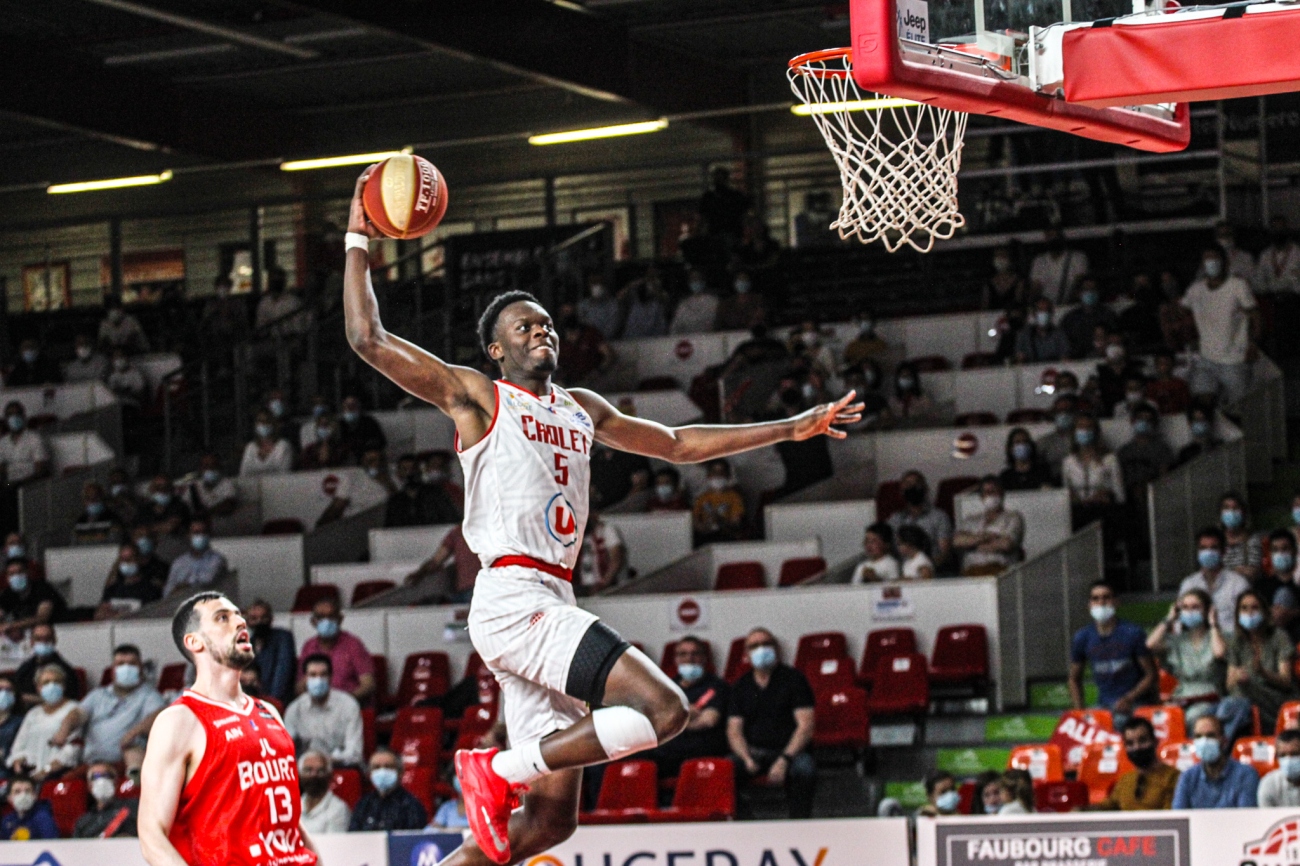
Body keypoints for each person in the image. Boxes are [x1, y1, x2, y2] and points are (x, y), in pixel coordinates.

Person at [344, 169, 858, 865]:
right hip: (513, 597)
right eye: (524, 327)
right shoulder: (479, 399)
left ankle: (492, 796)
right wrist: (357, 238)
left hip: (551, 595)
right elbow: (368, 338)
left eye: (547, 324)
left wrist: (791, 428)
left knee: (551, 825)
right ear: (496, 350)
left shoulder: (581, 406)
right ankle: (491, 770)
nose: (541, 332)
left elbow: (677, 444)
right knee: (667, 710)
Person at [137, 591, 319, 866]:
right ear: (194, 642)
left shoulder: (268, 711)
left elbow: (290, 823)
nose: (240, 623)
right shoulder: (180, 720)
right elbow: (152, 837)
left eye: (239, 616)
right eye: (223, 618)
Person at [726, 628, 816, 819]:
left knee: (805, 769)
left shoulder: (794, 680)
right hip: (753, 753)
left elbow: (805, 726)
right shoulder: (740, 686)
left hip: (790, 752)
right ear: (746, 654)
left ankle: (800, 826)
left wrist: (785, 759)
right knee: (724, 771)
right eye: (754, 646)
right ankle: (747, 825)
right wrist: (746, 757)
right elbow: (734, 730)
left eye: (766, 644)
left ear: (777, 649)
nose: (761, 649)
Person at [58, 644, 165, 764]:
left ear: (140, 668)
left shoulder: (149, 695)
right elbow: (79, 714)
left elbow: (158, 717)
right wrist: (66, 726)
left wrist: (134, 732)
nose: (126, 668)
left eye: (132, 664)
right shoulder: (97, 695)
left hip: (124, 762)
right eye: (120, 664)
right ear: (113, 669)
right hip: (92, 762)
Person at [1182, 243, 1260, 406]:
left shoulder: (1237, 286)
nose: (1211, 263)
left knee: (1238, 407)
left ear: (1225, 262)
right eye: (1207, 260)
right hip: (1206, 358)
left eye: (1215, 259)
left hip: (1234, 359)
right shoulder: (1196, 289)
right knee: (1202, 404)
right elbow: (1181, 310)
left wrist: (1253, 343)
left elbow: (1254, 315)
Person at [1068, 582, 1156, 724]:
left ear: (1116, 602)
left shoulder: (1133, 633)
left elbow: (1150, 675)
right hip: (1103, 705)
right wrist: (1080, 713)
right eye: (1095, 598)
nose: (1101, 602)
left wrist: (1129, 698)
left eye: (1106, 597)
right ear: (1089, 605)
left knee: (1120, 722)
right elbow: (1074, 679)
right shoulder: (1082, 637)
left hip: (1136, 704)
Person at [641, 637, 729, 779]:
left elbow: (708, 721)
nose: (690, 658)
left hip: (701, 747)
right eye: (683, 654)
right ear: (675, 659)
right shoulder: (667, 687)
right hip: (669, 748)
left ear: (704, 658)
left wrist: (674, 717)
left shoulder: (717, 686)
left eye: (695, 653)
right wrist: (689, 712)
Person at [1219, 589, 1296, 741]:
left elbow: (1286, 682)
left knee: (1236, 700)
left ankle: (1223, 746)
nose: (1249, 612)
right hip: (1246, 699)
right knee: (1222, 706)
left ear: (1264, 612)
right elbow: (1229, 684)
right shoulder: (1237, 641)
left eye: (1255, 608)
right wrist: (1237, 678)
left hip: (1276, 699)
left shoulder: (1279, 637)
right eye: (1244, 608)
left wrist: (1262, 672)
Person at [1147, 589, 1226, 730]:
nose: (1190, 611)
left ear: (1207, 610)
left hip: (1210, 698)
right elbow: (1150, 644)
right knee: (1163, 718)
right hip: (1181, 697)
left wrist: (1213, 624)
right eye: (1185, 607)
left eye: (1195, 607)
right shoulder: (1177, 641)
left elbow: (1219, 653)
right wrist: (1169, 618)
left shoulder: (1217, 637)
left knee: (1192, 718)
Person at [284, 654, 364, 767]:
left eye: (323, 674)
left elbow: (354, 753)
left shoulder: (348, 705)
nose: (318, 680)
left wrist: (324, 761)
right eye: (313, 675)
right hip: (304, 771)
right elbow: (286, 752)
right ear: (305, 678)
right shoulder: (294, 709)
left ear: (331, 677)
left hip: (340, 767)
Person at [7, 664, 81, 782]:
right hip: (28, 774)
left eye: (57, 681)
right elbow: (18, 745)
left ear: (64, 686)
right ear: (38, 688)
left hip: (56, 774)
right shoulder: (33, 713)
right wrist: (18, 762)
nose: (52, 686)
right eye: (46, 682)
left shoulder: (74, 710)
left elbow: (73, 749)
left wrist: (46, 770)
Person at [298, 597, 376, 704]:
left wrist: (343, 702)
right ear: (313, 622)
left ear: (340, 619)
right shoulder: (309, 646)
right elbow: (299, 686)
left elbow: (368, 684)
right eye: (321, 617)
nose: (326, 621)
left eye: (331, 616)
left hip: (348, 705)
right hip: (315, 707)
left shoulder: (353, 644)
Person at [1092, 716, 1180, 810]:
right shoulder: (1125, 780)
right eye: (1130, 743)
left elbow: (1170, 819)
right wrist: (1083, 810)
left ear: (1155, 742)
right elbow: (1108, 806)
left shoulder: (1174, 777)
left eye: (1142, 741)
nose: (1136, 747)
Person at [1171, 714, 1258, 808]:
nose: (1204, 741)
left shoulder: (1245, 775)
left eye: (1210, 736)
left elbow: (1247, 818)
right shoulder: (1188, 777)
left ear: (1224, 740)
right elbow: (1179, 817)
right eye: (1198, 736)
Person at [1180, 527, 1252, 635]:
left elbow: (1247, 622)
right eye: (1203, 548)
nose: (1208, 552)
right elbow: (1179, 622)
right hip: (1197, 646)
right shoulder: (1188, 585)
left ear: (1223, 551)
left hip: (1231, 645)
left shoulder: (1238, 584)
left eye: (1213, 548)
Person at [1061, 414, 1125, 531]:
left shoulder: (1109, 459)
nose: (1084, 431)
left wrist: (1106, 496)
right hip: (1078, 513)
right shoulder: (1068, 462)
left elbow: (1120, 496)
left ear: (1095, 432)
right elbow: (1065, 494)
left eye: (1088, 427)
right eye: (1080, 427)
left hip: (1103, 513)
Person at [952, 476, 1024, 576]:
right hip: (972, 571)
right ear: (981, 497)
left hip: (1001, 571)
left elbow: (1006, 544)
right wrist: (987, 537)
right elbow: (957, 541)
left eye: (994, 491)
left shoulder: (1013, 517)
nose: (990, 495)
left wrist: (972, 543)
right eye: (987, 492)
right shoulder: (971, 519)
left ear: (1002, 494)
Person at [348, 747, 428, 831]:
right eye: (376, 767)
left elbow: (414, 840)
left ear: (400, 772)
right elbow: (353, 837)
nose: (382, 771)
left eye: (388, 767)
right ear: (370, 774)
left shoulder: (411, 806)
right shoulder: (364, 804)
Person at [887, 471, 953, 571]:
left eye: (916, 484)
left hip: (930, 571)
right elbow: (886, 549)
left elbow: (944, 553)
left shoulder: (939, 516)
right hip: (902, 573)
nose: (913, 487)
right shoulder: (895, 519)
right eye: (908, 484)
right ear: (901, 491)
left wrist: (924, 569)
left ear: (925, 488)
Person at [405, 524, 480, 605]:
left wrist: (418, 574)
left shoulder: (457, 533)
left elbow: (435, 561)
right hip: (484, 590)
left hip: (466, 592)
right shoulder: (490, 530)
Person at [245, 599, 297, 707]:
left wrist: (271, 703)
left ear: (271, 619)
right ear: (247, 621)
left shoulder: (283, 638)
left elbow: (283, 672)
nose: (259, 622)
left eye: (264, 617)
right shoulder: (248, 644)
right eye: (254, 618)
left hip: (279, 703)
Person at [13, 623, 79, 708]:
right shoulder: (24, 668)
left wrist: (34, 699)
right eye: (38, 639)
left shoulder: (66, 670)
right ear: (32, 642)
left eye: (47, 638)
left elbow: (69, 700)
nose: (43, 642)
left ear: (54, 640)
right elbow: (15, 694)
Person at [1117, 403, 1173, 497]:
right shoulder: (1124, 451)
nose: (1144, 422)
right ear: (1132, 421)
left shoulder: (1162, 449)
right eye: (1140, 418)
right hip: (1129, 496)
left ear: (1154, 424)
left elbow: (1165, 477)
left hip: (1153, 494)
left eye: (1148, 420)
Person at [161, 520, 228, 598]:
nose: (200, 536)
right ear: (188, 535)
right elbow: (167, 592)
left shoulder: (217, 559)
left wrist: (185, 586)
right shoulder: (179, 563)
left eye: (203, 532)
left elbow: (207, 580)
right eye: (196, 533)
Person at [74, 762, 139, 838]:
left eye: (107, 775)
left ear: (116, 782)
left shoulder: (133, 807)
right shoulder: (83, 822)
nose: (101, 781)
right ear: (89, 786)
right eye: (96, 776)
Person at [97, 543, 162, 620]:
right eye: (123, 560)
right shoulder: (112, 589)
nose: (126, 563)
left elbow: (154, 616)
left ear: (138, 560)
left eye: (129, 559)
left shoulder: (151, 590)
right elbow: (98, 616)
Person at [0, 558, 68, 629]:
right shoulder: (8, 593)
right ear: (7, 578)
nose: (16, 576)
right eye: (11, 574)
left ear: (28, 573)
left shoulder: (43, 588)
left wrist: (11, 626)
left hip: (63, 630)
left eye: (20, 572)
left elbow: (42, 618)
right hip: (32, 634)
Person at [692, 459, 747, 545]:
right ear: (708, 476)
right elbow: (696, 523)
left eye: (722, 472)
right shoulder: (701, 498)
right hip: (705, 539)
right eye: (714, 472)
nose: (718, 475)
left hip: (726, 539)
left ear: (728, 476)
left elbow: (736, 523)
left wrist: (721, 521)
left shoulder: (735, 497)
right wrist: (706, 526)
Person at [1060, 279, 1119, 359]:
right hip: (1076, 362)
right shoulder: (1070, 318)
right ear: (1078, 293)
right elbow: (1063, 343)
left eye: (1093, 289)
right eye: (1086, 290)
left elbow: (1115, 339)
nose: (1090, 292)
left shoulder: (1108, 315)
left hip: (1104, 358)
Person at [1029, 227, 1089, 305]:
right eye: (1050, 237)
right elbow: (1036, 287)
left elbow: (1079, 284)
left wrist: (1066, 305)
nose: (1053, 240)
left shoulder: (1078, 258)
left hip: (1071, 305)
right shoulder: (1039, 261)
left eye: (1056, 237)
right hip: (1046, 307)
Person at [298, 750, 351, 835]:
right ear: (299, 775)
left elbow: (333, 844)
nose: (313, 775)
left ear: (329, 775)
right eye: (308, 770)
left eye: (320, 771)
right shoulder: (292, 805)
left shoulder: (338, 808)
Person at [575, 512, 625, 596]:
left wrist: (604, 583)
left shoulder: (606, 530)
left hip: (603, 584)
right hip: (579, 584)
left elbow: (616, 559)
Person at [0, 402, 50, 485]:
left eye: (17, 414)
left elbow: (40, 470)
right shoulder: (3, 442)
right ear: (6, 420)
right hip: (9, 484)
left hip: (30, 485)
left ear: (24, 417)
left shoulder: (34, 438)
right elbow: (1, 469)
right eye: (10, 415)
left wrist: (19, 484)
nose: (14, 418)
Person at [1218, 491, 1262, 581]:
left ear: (1243, 513)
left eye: (1236, 508)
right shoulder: (1216, 541)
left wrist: (1225, 572)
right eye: (1226, 508)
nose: (1231, 512)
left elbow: (1252, 572)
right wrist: (1238, 570)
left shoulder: (1252, 540)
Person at [0, 775, 58, 840]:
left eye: (27, 791)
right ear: (9, 798)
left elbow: (51, 845)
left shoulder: (43, 818)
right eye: (17, 791)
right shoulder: (7, 820)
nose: (23, 795)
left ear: (35, 796)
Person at [1014, 298, 1071, 363]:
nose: (1043, 313)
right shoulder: (1024, 335)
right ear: (1034, 313)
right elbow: (1019, 360)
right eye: (1040, 310)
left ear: (1051, 313)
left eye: (1046, 311)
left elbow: (1065, 359)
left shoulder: (1059, 334)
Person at [239, 411, 294, 476]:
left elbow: (284, 474)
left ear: (274, 424)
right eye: (260, 421)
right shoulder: (250, 447)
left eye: (267, 421)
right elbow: (243, 474)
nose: (263, 424)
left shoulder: (283, 446)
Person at [183, 453, 238, 519]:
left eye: (213, 467)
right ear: (201, 469)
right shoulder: (194, 486)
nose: (209, 470)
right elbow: (185, 505)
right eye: (206, 466)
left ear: (219, 468)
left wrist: (206, 513)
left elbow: (228, 505)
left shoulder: (226, 484)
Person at [1254, 215, 1300, 295]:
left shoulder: (1298, 253)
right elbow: (1259, 279)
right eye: (1275, 229)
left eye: (1281, 229)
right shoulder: (1265, 255)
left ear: (1287, 230)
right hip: (1271, 296)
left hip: (1294, 297)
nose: (1278, 232)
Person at [885, 361, 938, 428]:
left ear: (914, 379)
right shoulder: (893, 400)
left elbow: (930, 418)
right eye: (902, 376)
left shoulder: (923, 398)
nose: (905, 379)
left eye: (908, 376)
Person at [619, 271, 669, 339]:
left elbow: (665, 299)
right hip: (630, 340)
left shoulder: (658, 302)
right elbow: (620, 296)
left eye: (653, 277)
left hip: (652, 341)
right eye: (649, 278)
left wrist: (655, 289)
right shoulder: (634, 299)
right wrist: (634, 284)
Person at [72, 480, 124, 545]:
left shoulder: (113, 518)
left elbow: (115, 541)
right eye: (88, 497)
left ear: (102, 498)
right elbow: (74, 544)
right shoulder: (80, 521)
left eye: (96, 497)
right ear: (84, 501)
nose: (92, 500)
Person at [1258, 728, 1300, 807]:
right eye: (1283, 755)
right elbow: (1266, 817)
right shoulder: (1269, 784)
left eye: (1294, 754)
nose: (1288, 759)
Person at [141, 475, 191, 539]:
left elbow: (170, 527)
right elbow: (139, 531)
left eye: (166, 487)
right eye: (158, 488)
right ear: (152, 490)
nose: (162, 490)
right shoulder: (145, 508)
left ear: (172, 489)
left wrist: (149, 529)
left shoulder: (179, 506)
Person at [1145, 350, 1192, 415]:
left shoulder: (1180, 384)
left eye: (1167, 363)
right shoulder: (1151, 386)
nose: (1164, 366)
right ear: (1156, 365)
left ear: (1173, 364)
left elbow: (1187, 405)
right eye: (1161, 363)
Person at [577, 275, 622, 340]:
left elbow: (612, 327)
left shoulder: (613, 304)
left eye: (598, 283)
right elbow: (580, 326)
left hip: (607, 342)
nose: (596, 286)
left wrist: (599, 340)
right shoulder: (582, 305)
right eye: (593, 283)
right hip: (586, 343)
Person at [983, 246, 1026, 311]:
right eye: (997, 256)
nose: (1000, 259)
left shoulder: (1018, 281)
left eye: (1003, 256)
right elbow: (984, 307)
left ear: (1010, 259)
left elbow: (1020, 303)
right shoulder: (989, 283)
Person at [0, 674, 22, 767]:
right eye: (0, 689)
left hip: (6, 774)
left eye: (9, 690)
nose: (4, 693)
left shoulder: (21, 723)